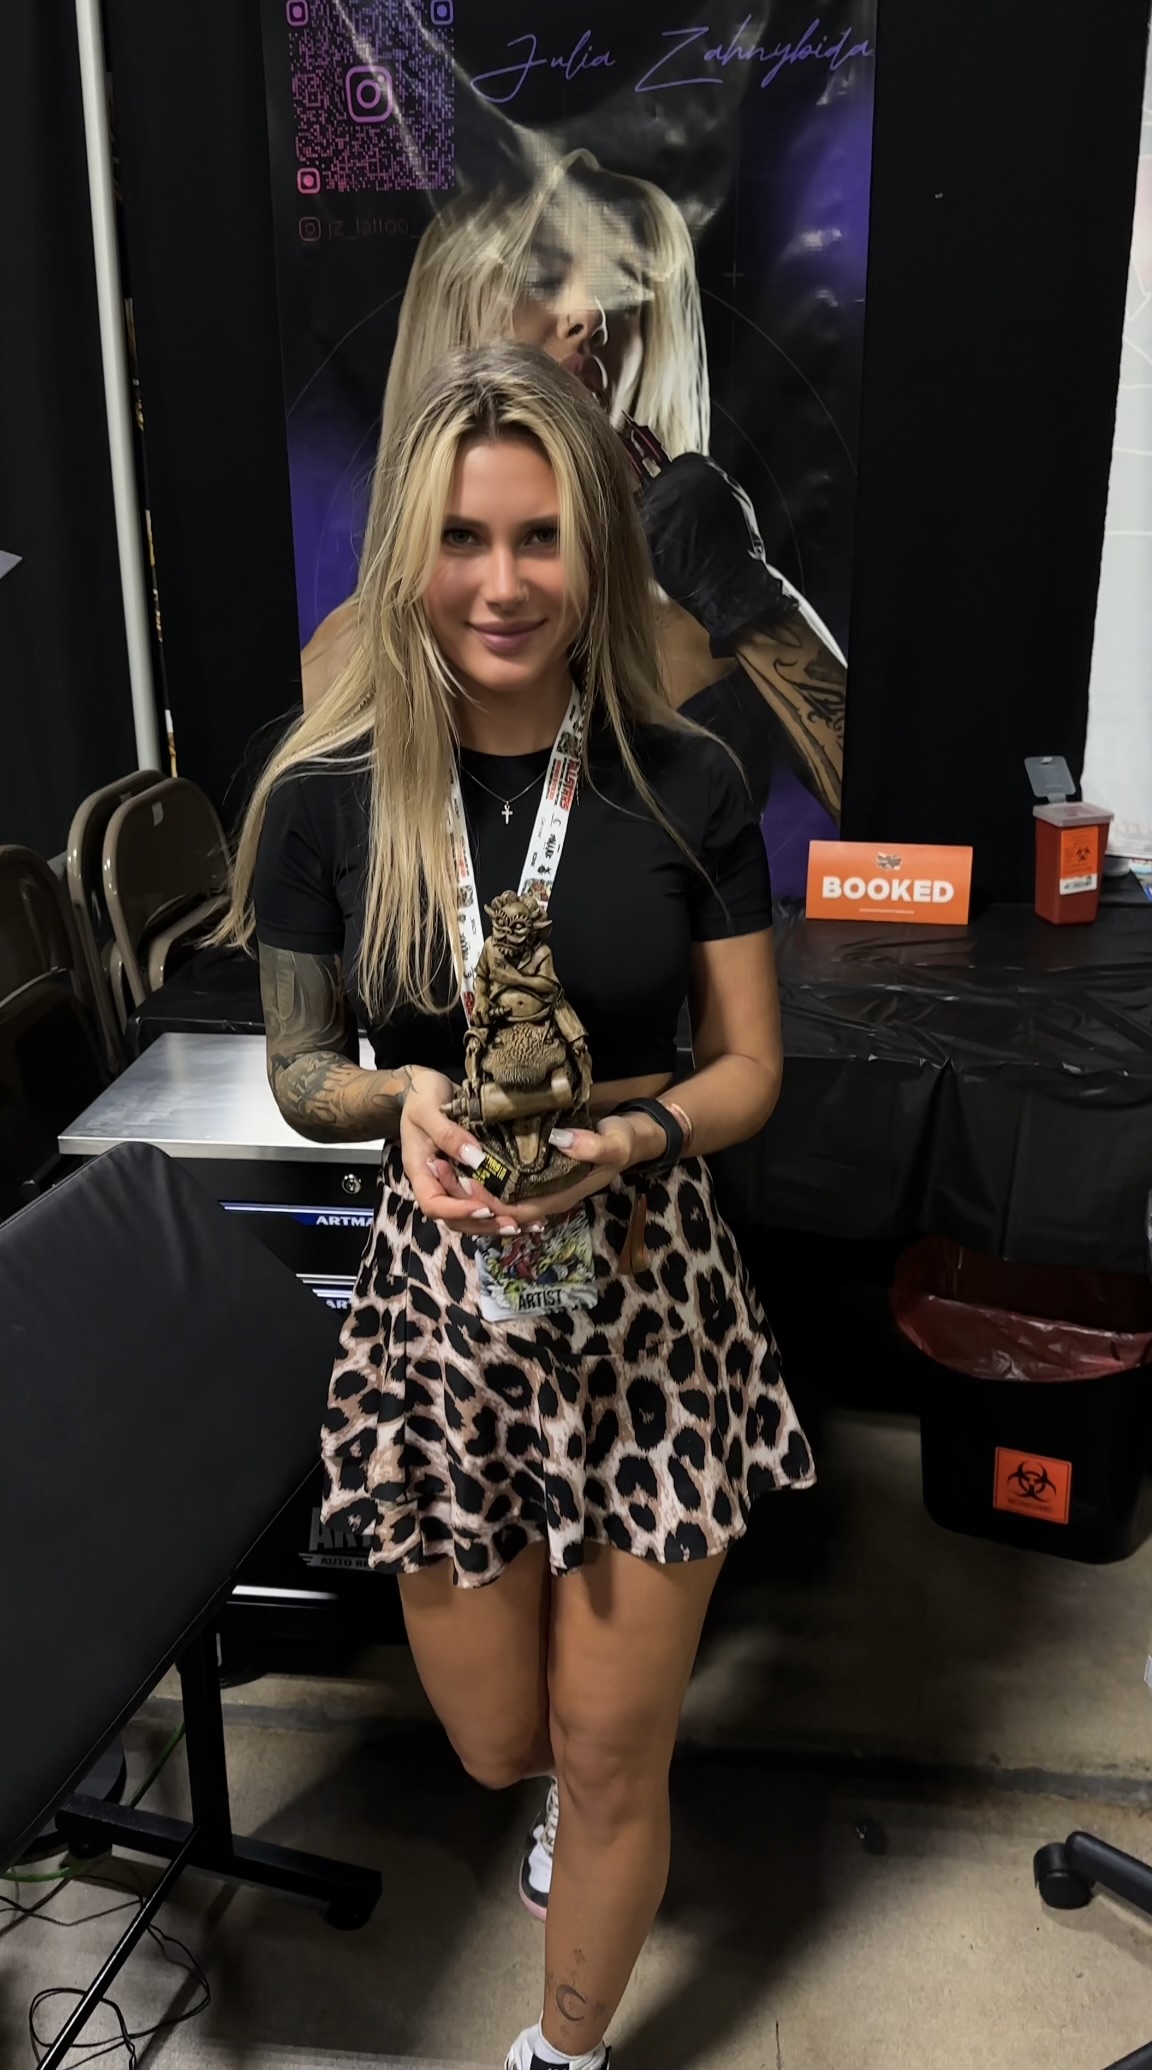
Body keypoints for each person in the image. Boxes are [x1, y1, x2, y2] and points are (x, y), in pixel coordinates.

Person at [226, 341, 814, 2070]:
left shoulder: (685, 779)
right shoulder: (324, 794)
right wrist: (397, 1099)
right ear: (410, 550)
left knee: (617, 1747)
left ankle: (563, 2048)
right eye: (465, 538)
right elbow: (299, 1067)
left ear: (596, 549)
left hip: (650, 1306)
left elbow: (748, 1068)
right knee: (501, 1741)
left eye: (541, 535)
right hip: (440, 1311)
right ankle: (560, 1780)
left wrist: (632, 1140)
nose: (503, 582)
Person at [300, 149, 846, 854]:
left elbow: (904, 843)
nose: (587, 315)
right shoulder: (353, 660)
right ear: (455, 312)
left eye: (621, 285)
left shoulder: (709, 637)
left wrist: (746, 595)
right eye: (540, 277)